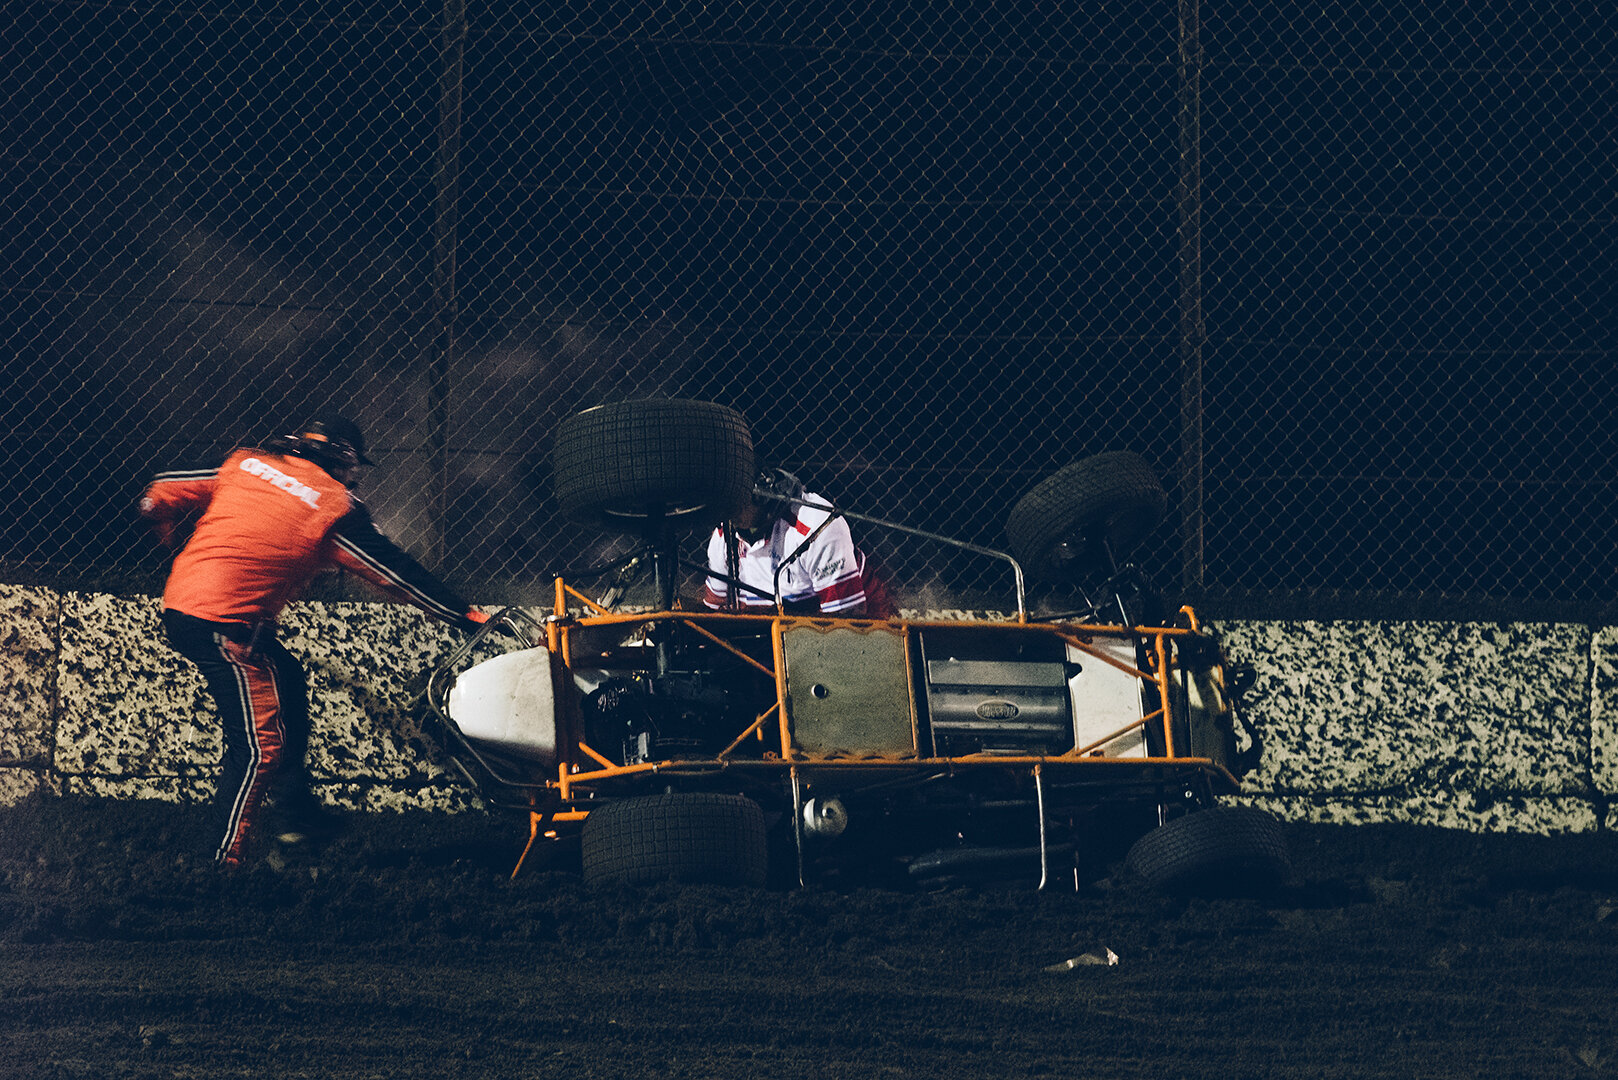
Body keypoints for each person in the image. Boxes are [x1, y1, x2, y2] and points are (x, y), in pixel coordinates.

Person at [139, 413, 488, 868]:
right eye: (352, 467)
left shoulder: (245, 464)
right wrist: (464, 614)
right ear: (341, 461)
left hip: (183, 604)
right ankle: (223, 862)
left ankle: (297, 814)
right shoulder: (333, 507)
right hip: (227, 625)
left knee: (287, 677)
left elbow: (162, 488)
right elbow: (396, 574)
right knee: (258, 746)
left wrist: (159, 522)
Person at [702, 467, 894, 617]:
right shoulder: (722, 537)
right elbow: (714, 610)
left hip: (861, 624)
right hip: (770, 633)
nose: (728, 512)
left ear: (759, 494)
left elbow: (848, 618)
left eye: (735, 501)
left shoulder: (816, 525)